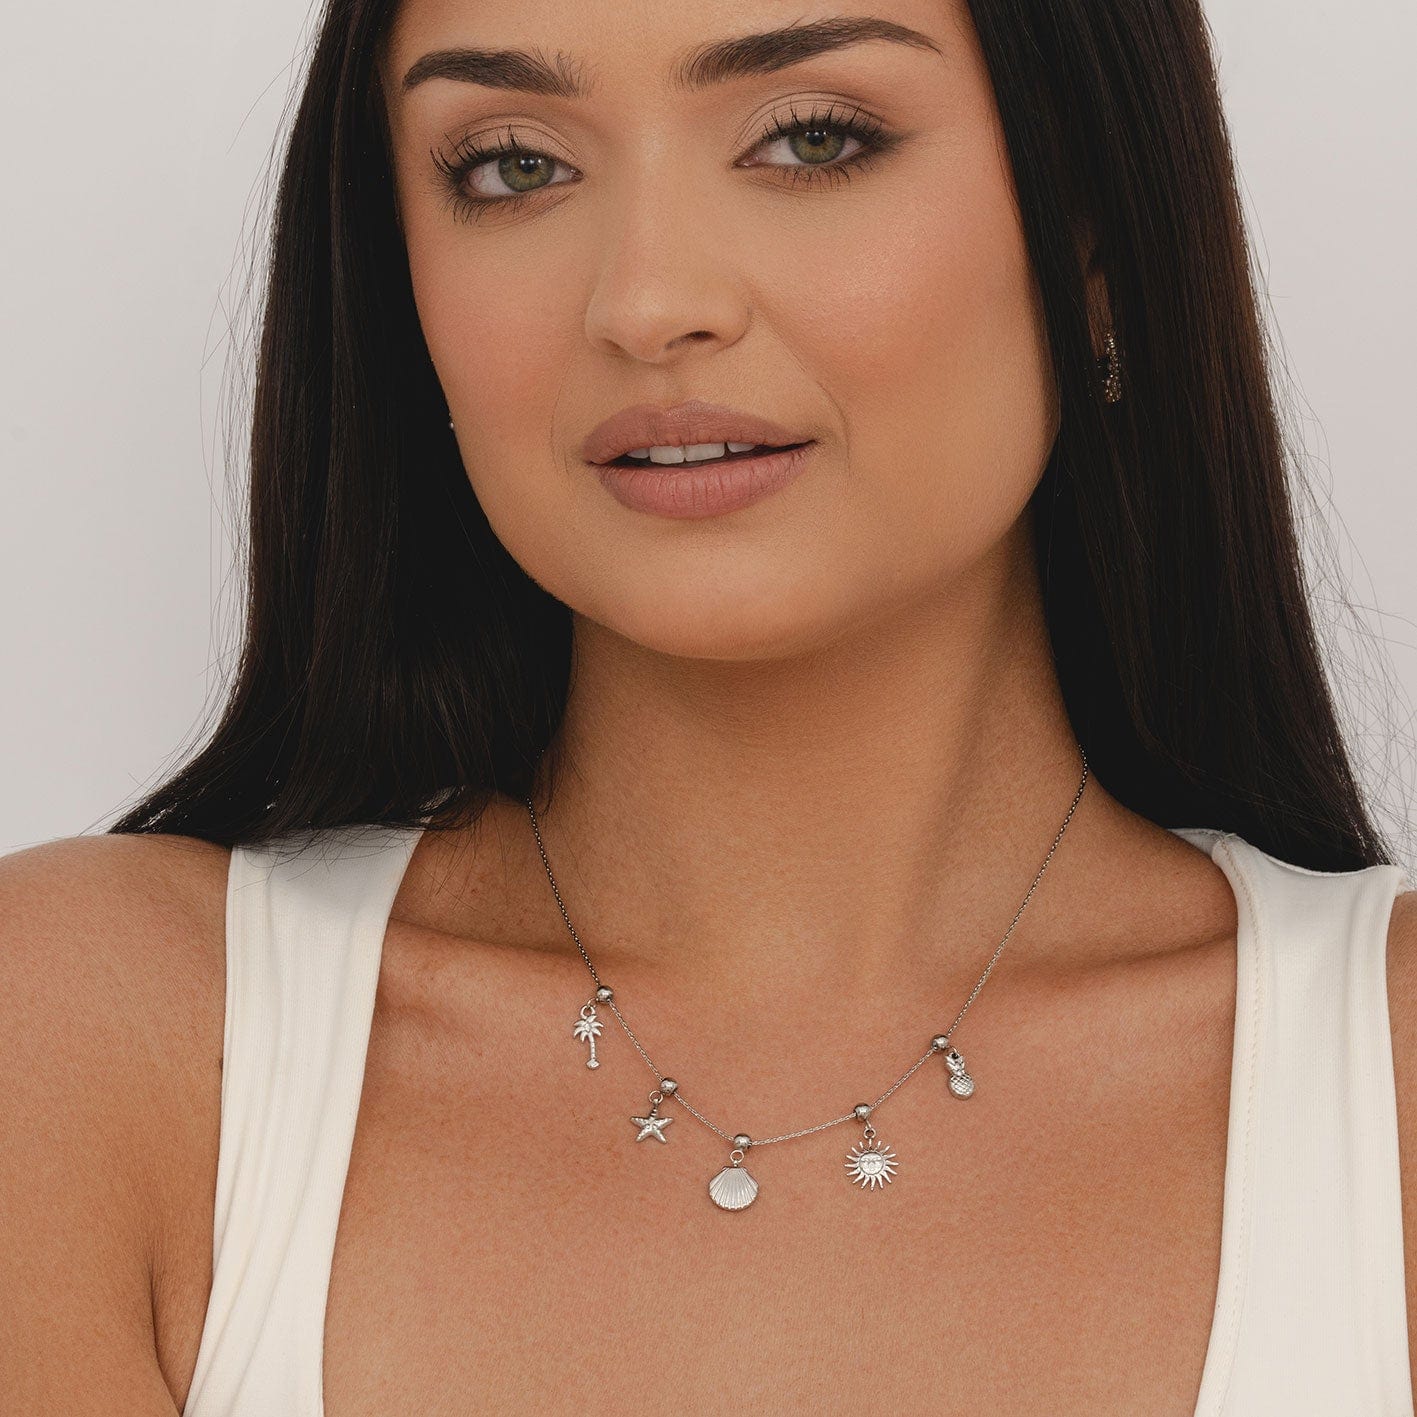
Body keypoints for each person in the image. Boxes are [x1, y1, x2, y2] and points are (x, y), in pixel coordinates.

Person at [3, 0, 1414, 1411]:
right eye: (513, 164)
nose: (646, 301)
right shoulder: (88, 1043)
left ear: (1097, 235)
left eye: (812, 139)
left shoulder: (1385, 1079)